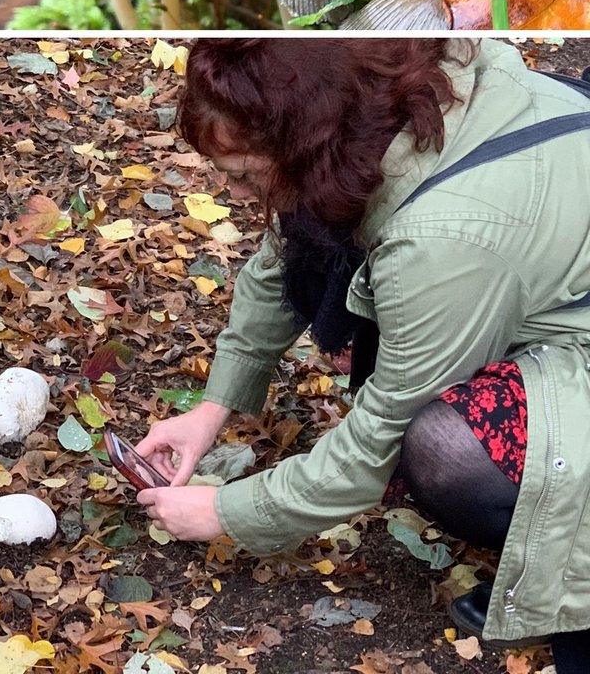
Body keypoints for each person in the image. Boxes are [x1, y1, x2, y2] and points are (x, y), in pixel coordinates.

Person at [134, 38, 590, 669]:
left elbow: (383, 431)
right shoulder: (380, 111)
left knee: (446, 451)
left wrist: (227, 512)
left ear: (301, 146)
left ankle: (565, 565)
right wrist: (212, 410)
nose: (234, 194)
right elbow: (282, 258)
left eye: (240, 174)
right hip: (539, 271)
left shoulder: (440, 241)